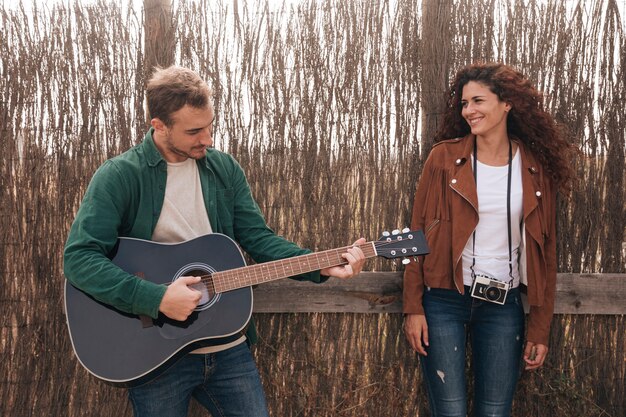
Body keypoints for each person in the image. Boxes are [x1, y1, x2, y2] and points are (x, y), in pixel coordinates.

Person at [64, 65, 366, 417]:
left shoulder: (223, 168)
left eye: (210, 126)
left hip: (228, 348)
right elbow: (79, 258)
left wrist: (319, 264)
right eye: (194, 131)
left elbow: (258, 238)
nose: (207, 138)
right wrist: (156, 297)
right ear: (158, 125)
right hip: (154, 357)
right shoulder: (119, 176)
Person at [402, 62, 576, 417]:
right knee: (448, 411)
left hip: (503, 304)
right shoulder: (444, 159)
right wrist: (413, 307)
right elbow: (416, 234)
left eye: (478, 100)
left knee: (495, 411)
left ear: (507, 103)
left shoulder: (533, 167)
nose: (469, 111)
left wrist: (539, 328)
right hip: (444, 302)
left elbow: (546, 250)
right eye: (464, 104)